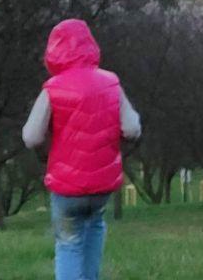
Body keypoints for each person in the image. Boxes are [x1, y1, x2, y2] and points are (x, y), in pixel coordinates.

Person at [22, 19, 141, 280]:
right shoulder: (111, 82)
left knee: (68, 242)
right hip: (102, 184)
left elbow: (31, 136)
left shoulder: (53, 88)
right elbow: (132, 128)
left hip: (67, 185)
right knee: (95, 227)